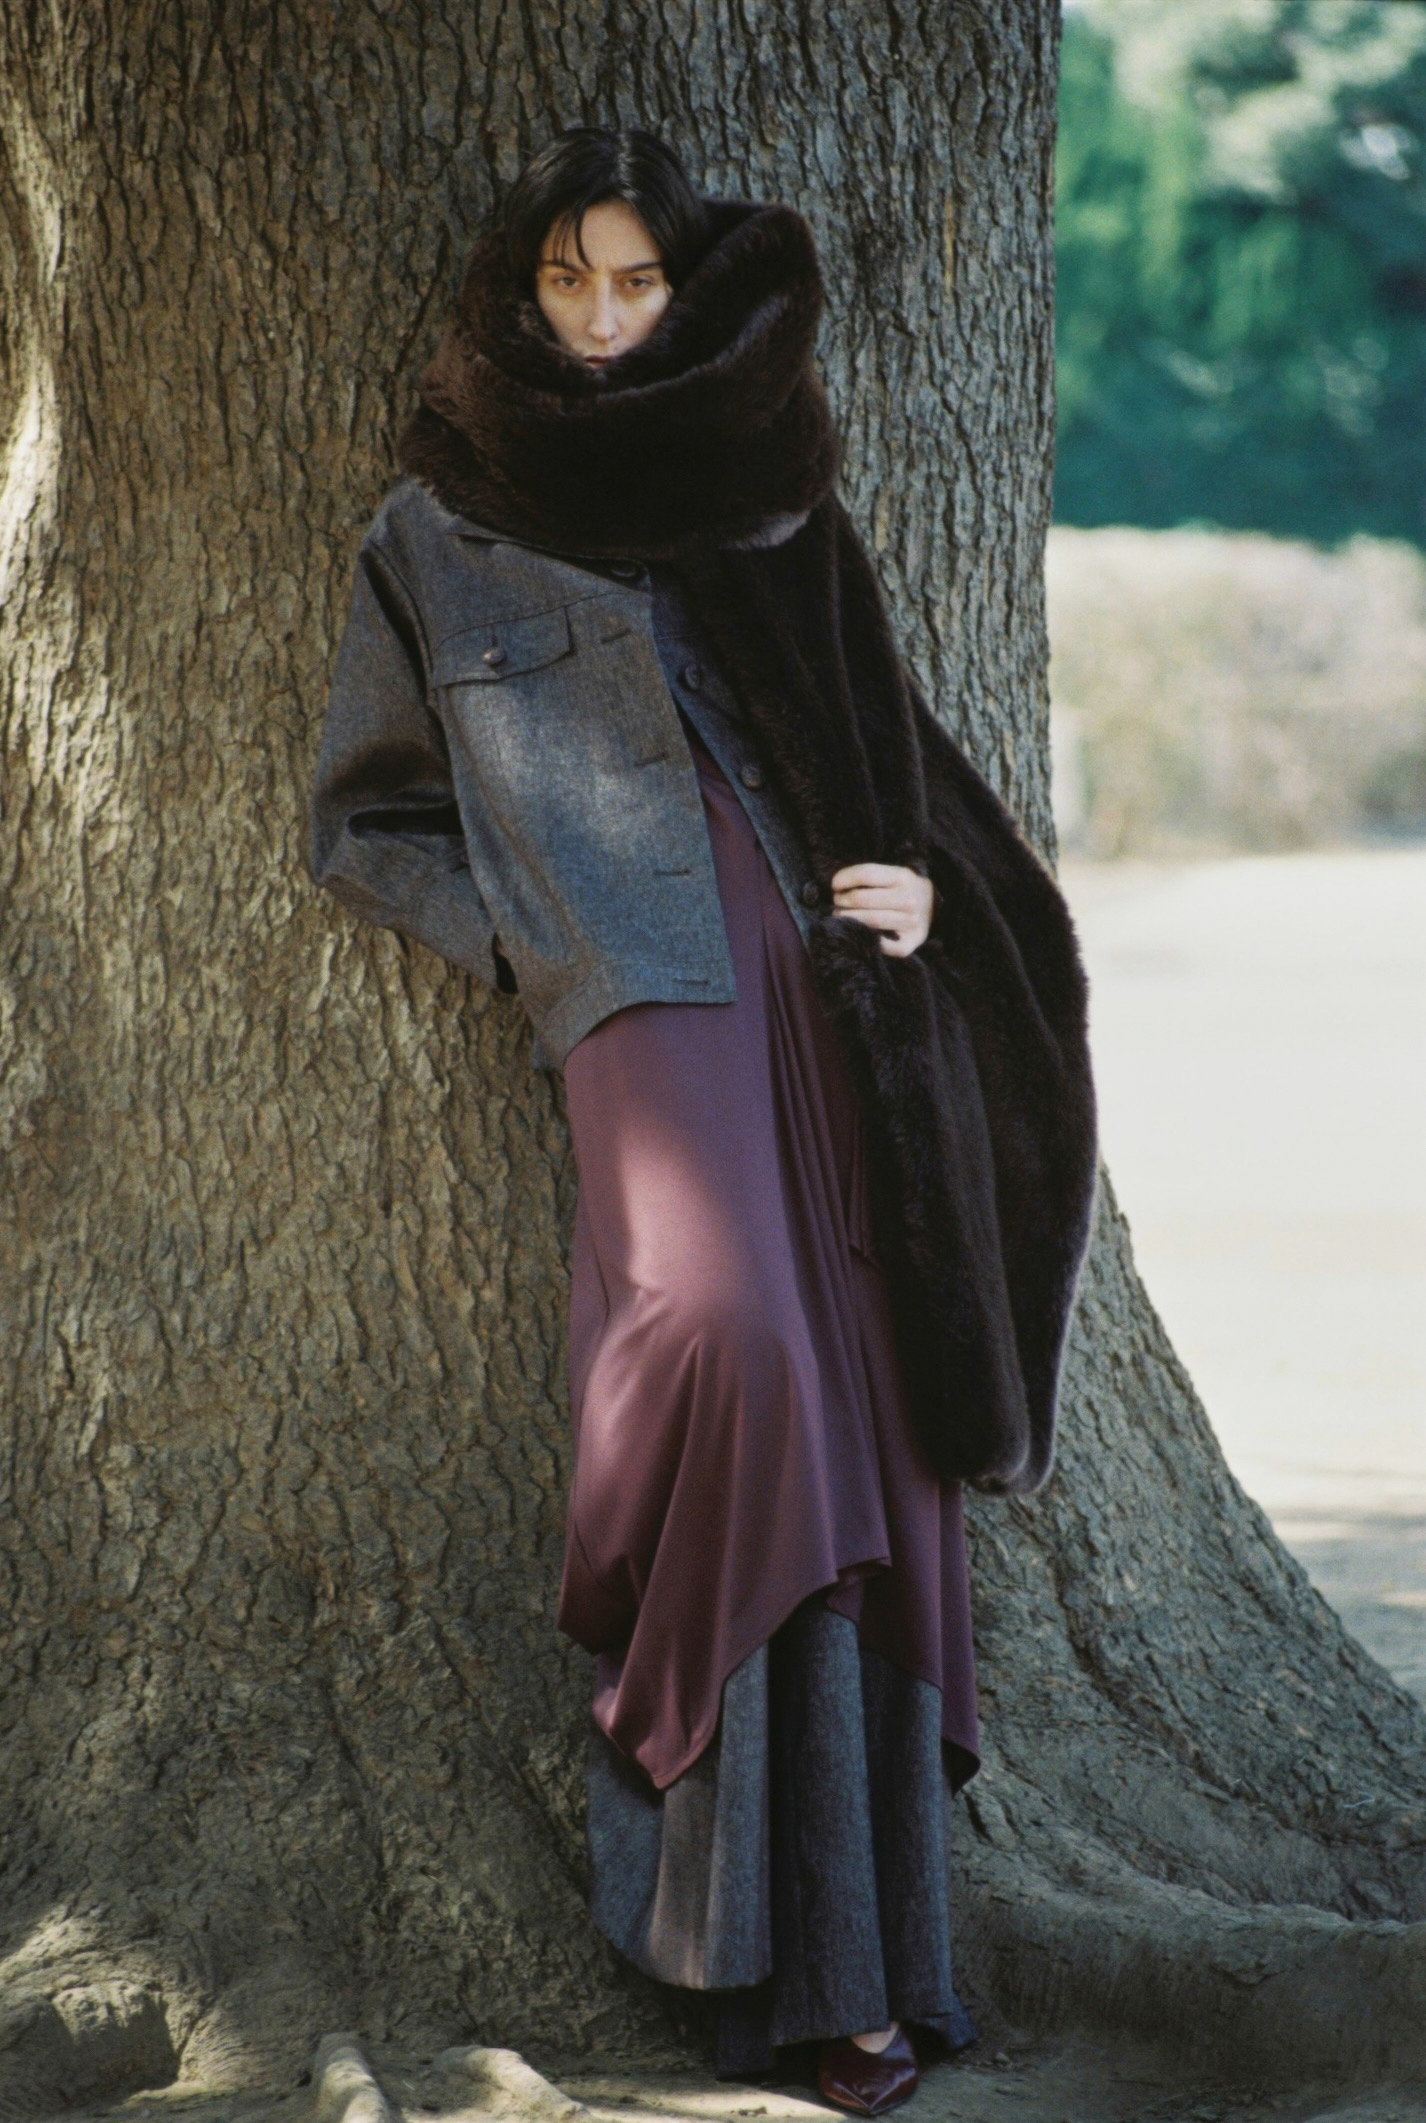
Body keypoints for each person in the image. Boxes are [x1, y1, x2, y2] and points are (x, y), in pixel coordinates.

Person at [311, 127, 1096, 2114]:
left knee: (870, 1421)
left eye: (635, 280)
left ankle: (853, 1973)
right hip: (639, 1005)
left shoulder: (765, 489)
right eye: (564, 279)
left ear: (682, 289)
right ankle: (704, 1834)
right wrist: (533, 946)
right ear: (516, 292)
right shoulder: (436, 528)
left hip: (834, 999)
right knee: (729, 1346)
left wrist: (912, 883)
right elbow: (363, 821)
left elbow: (876, 737)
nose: (598, 317)